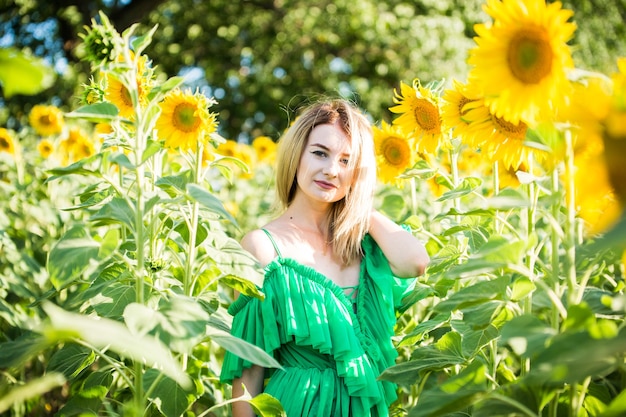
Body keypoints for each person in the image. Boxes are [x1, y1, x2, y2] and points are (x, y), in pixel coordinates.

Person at [220, 99, 430, 416]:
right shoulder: (261, 247)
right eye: (320, 153)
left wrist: (360, 206)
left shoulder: (364, 245)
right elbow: (248, 372)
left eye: (347, 161)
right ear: (297, 154)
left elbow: (415, 262)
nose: (332, 170)